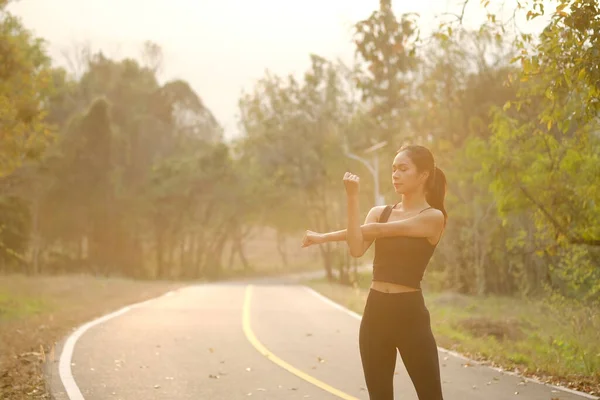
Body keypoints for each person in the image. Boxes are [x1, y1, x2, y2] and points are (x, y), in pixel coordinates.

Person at [301, 144, 446, 400]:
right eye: (393, 169)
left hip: (410, 315)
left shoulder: (433, 217)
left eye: (403, 169)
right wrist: (352, 198)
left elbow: (376, 232)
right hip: (376, 313)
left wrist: (324, 237)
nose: (395, 175)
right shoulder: (379, 213)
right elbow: (357, 247)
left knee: (431, 396)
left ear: (423, 175)